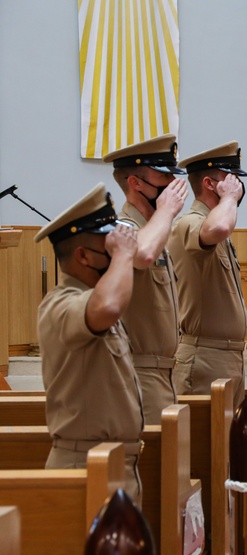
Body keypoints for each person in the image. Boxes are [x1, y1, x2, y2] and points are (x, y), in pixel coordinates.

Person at [34, 184, 145, 503]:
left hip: (116, 465)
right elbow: (108, 307)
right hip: (84, 468)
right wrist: (125, 253)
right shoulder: (60, 304)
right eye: (109, 248)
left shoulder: (89, 297)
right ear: (83, 255)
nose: (120, 253)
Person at [102, 134, 188, 425]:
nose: (172, 185)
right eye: (163, 176)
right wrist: (166, 211)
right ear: (135, 183)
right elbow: (142, 254)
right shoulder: (122, 228)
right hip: (140, 372)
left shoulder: (154, 229)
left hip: (166, 371)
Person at [169, 142, 247, 412]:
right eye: (231, 181)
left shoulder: (213, 225)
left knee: (226, 449)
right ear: (209, 183)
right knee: (202, 450)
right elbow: (222, 226)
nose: (238, 188)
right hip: (204, 359)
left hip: (228, 356)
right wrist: (228, 199)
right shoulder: (189, 223)